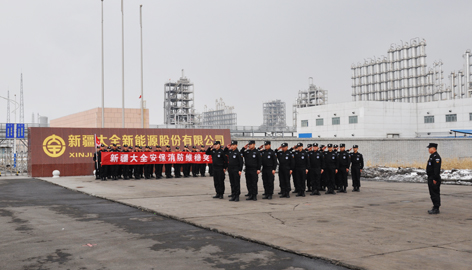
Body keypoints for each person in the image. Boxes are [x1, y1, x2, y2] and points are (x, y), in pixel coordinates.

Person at [426, 143, 441, 214]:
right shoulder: (432, 156)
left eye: (429, 148)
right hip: (431, 177)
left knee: (435, 193)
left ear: (434, 148)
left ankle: (436, 208)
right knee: (432, 193)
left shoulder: (436, 157)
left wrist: (435, 179)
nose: (428, 149)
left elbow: (436, 169)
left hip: (434, 178)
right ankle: (435, 206)